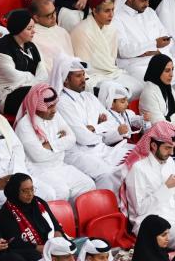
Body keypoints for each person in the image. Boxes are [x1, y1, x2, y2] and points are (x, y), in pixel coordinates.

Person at [51, 56, 133, 191]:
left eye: (83, 75)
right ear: (66, 79)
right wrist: (102, 128)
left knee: (138, 156)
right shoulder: (62, 102)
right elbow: (83, 138)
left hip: (101, 147)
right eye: (78, 76)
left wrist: (94, 127)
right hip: (79, 153)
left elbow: (113, 124)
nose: (83, 79)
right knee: (108, 174)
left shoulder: (89, 96)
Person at [15, 83, 96, 201]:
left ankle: (75, 218)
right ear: (36, 106)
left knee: (88, 184)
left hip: (60, 165)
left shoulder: (55, 116)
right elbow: (39, 156)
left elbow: (72, 139)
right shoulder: (24, 125)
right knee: (61, 192)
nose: (54, 110)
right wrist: (61, 142)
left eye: (55, 105)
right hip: (39, 170)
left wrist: (51, 145)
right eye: (49, 106)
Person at [71, 0, 143, 96]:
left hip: (112, 73)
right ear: (95, 11)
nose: (111, 15)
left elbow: (112, 59)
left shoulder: (112, 29)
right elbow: (83, 66)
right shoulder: (81, 31)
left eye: (113, 10)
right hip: (93, 76)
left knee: (138, 87)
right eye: (107, 11)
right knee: (117, 93)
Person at [0, 172, 66, 261]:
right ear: (15, 191)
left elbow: (55, 225)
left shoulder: (39, 202)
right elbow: (14, 242)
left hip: (50, 245)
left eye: (32, 189)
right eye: (25, 191)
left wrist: (59, 241)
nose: (30, 194)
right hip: (30, 251)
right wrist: (40, 248)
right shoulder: (6, 213)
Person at [111, 0, 173, 81]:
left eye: (148, 0)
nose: (147, 4)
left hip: (160, 60)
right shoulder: (116, 17)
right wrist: (154, 44)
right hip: (135, 66)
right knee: (158, 79)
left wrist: (152, 51)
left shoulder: (149, 12)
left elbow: (168, 40)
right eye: (143, 0)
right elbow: (124, 50)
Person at [0, 9, 48, 115]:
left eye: (33, 27)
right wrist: (33, 80)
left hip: (30, 89)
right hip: (6, 95)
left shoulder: (31, 46)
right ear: (18, 30)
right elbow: (14, 78)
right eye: (29, 28)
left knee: (48, 94)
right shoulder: (2, 47)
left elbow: (42, 73)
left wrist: (35, 85)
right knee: (37, 97)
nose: (33, 31)